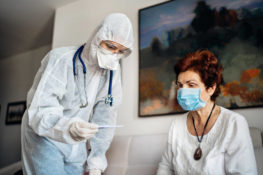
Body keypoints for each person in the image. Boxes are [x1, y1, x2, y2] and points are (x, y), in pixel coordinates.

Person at [21, 13, 134, 175]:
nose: (114, 55)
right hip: (45, 136)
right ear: (97, 36)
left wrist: (96, 161)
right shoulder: (61, 59)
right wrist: (67, 127)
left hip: (76, 141)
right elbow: (40, 109)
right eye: (110, 46)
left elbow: (106, 116)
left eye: (121, 51)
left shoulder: (112, 73)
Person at [157, 50, 257, 175]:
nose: (183, 91)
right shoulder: (177, 124)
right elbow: (165, 167)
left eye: (191, 85)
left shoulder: (233, 123)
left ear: (211, 88)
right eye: (180, 85)